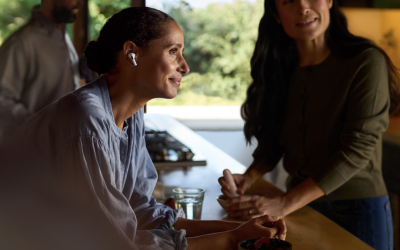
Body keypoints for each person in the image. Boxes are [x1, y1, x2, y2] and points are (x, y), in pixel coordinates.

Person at [0, 7, 286, 250]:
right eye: (173, 51)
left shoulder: (131, 115)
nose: (184, 66)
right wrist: (231, 238)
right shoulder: (86, 120)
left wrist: (241, 228)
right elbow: (118, 242)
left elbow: (142, 211)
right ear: (132, 54)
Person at [218, 0, 399, 249]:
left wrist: (284, 203)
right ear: (276, 14)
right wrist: (248, 178)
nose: (303, 8)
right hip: (301, 208)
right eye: (289, 1)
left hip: (359, 209)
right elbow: (276, 140)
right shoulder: (280, 67)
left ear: (328, 1)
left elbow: (357, 150)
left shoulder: (366, 61)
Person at [0, 0, 85, 142]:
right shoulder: (21, 43)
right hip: (32, 156)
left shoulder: (63, 35)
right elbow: (2, 101)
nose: (81, 2)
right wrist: (43, 126)